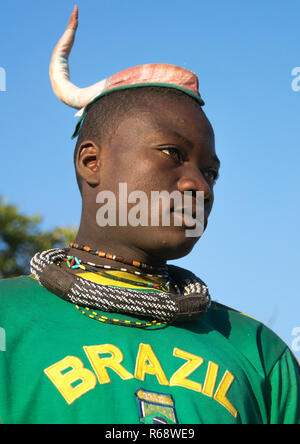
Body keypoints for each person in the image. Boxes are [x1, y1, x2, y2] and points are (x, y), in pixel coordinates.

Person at [0, 6, 299, 425]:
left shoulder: (260, 353)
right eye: (173, 154)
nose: (200, 186)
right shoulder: (7, 322)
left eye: (210, 172)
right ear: (91, 162)